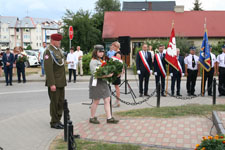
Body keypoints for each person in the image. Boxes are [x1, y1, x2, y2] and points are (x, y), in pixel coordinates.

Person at [89, 45, 119, 124]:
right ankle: (92, 117)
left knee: (107, 99)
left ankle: (109, 118)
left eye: (102, 52)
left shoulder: (101, 60)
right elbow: (95, 74)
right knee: (96, 100)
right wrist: (107, 75)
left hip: (103, 81)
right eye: (100, 52)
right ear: (96, 52)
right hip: (96, 82)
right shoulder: (93, 61)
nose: (102, 53)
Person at [44, 33, 66, 129]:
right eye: (58, 41)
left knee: (60, 102)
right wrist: (52, 83)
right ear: (53, 41)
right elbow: (48, 69)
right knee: (54, 102)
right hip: (55, 82)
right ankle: (54, 122)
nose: (59, 43)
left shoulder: (58, 50)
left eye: (60, 41)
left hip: (61, 81)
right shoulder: (48, 52)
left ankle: (58, 120)